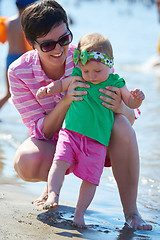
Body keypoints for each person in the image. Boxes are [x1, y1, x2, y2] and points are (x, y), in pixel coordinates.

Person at [8, 0, 152, 231]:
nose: (58, 49)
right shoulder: (18, 72)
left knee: (123, 126)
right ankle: (52, 189)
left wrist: (120, 107)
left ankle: (132, 212)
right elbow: (41, 131)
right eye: (47, 45)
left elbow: (131, 117)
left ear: (69, 31)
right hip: (60, 143)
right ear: (31, 43)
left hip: (96, 139)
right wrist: (66, 99)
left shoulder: (88, 57)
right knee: (26, 161)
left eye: (64, 39)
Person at [36, 32, 145, 227]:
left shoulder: (115, 82)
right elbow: (61, 84)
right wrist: (49, 89)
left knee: (91, 179)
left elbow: (129, 101)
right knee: (59, 163)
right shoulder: (79, 76)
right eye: (86, 71)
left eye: (97, 71)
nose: (91, 76)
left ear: (110, 65)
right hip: (71, 134)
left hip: (97, 141)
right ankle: (52, 194)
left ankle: (79, 213)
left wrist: (136, 99)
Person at [0, 0, 37, 111]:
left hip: (9, 58)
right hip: (22, 60)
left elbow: (4, 39)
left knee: (8, 93)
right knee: (32, 92)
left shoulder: (8, 22)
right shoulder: (26, 23)